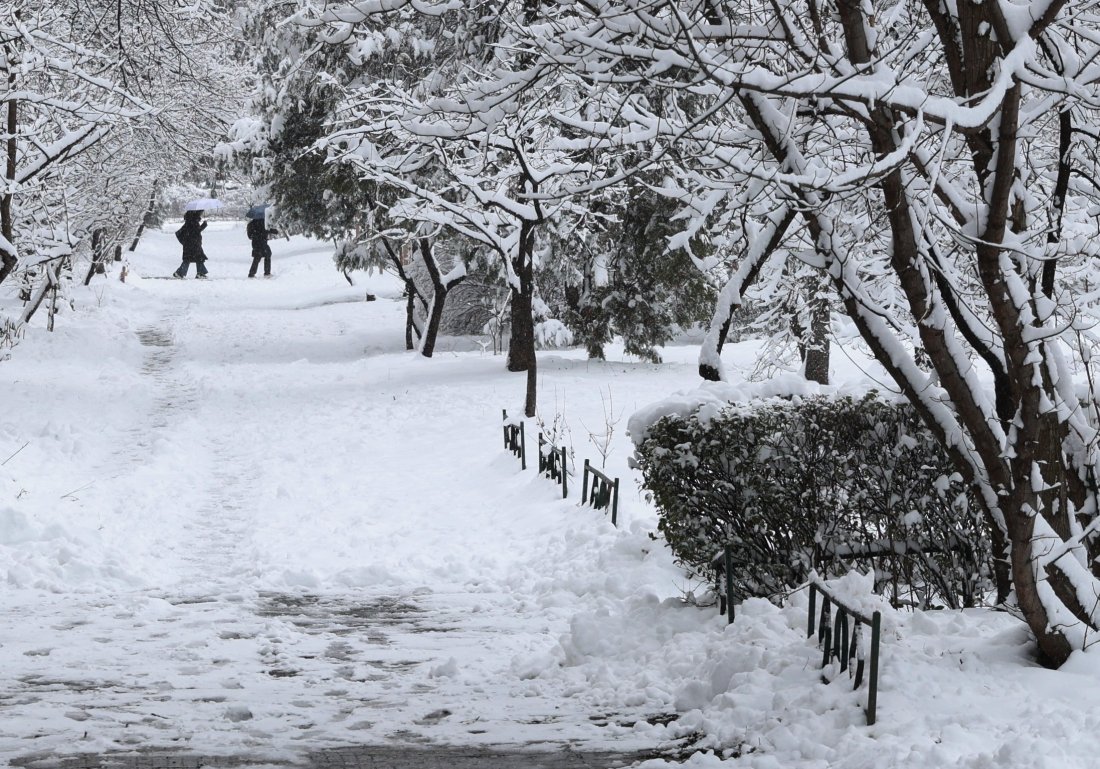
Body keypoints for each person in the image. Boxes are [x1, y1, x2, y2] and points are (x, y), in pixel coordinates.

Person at [173, 210, 209, 278]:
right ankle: (181, 273)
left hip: (190, 244)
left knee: (192, 258)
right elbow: (196, 232)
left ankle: (181, 273)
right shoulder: (193, 221)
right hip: (193, 244)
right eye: (200, 213)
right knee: (197, 258)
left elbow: (193, 231)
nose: (201, 214)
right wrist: (203, 225)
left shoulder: (189, 221)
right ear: (196, 213)